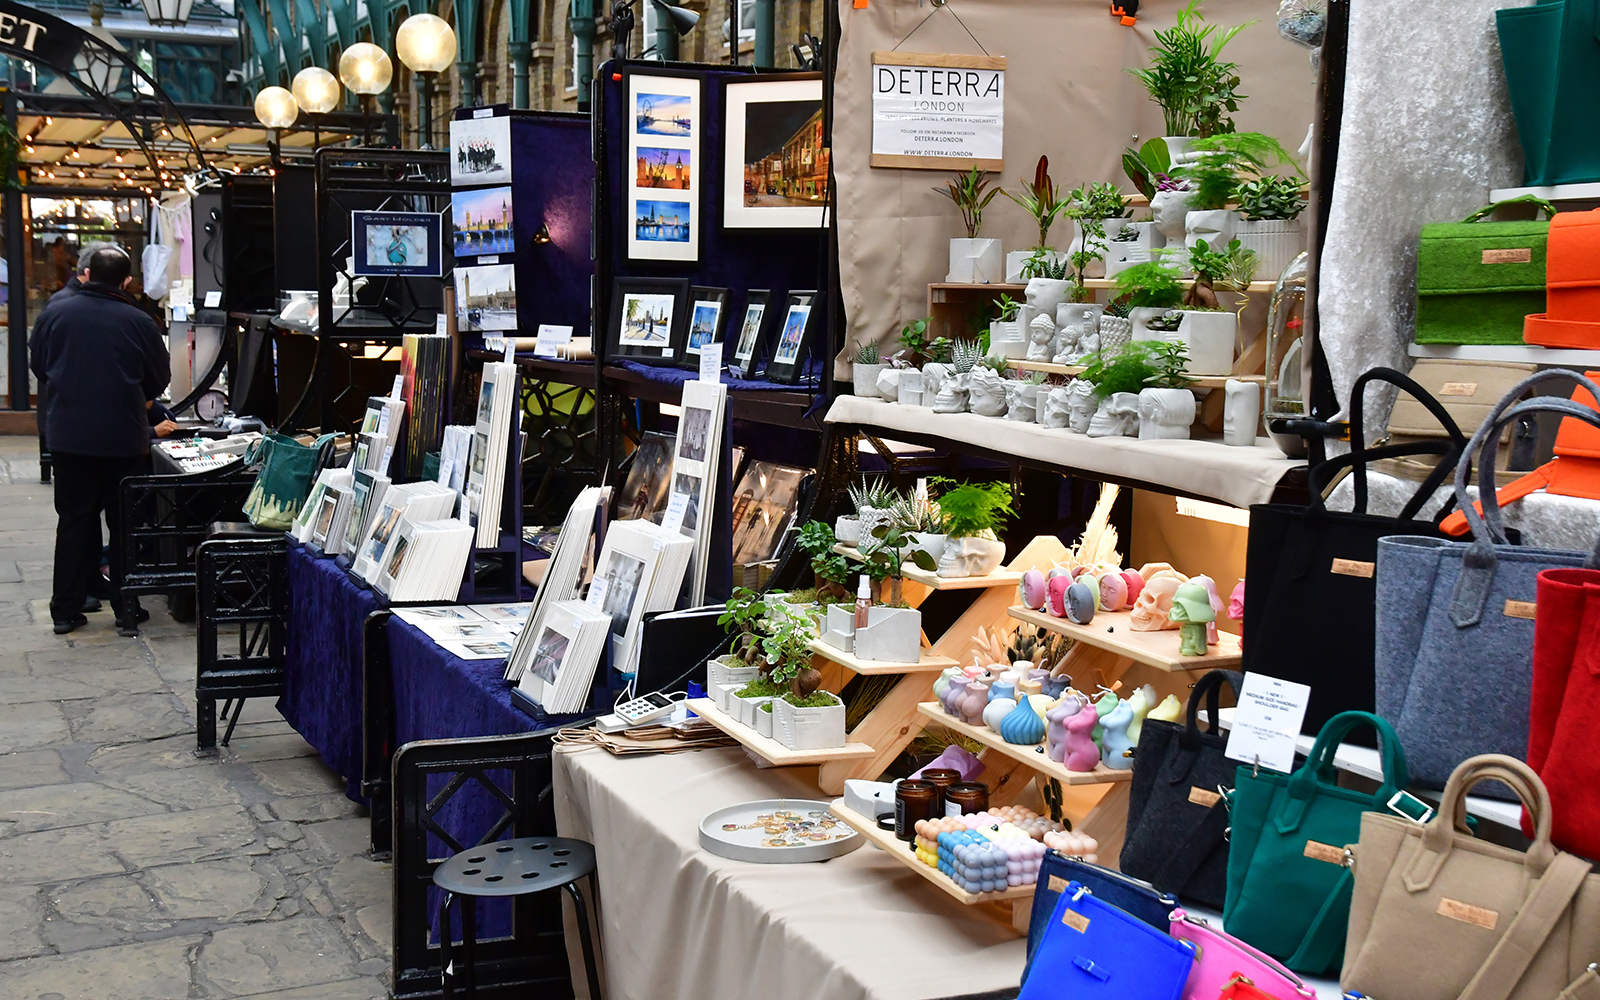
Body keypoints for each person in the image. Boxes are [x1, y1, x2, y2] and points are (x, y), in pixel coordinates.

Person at [29, 247, 170, 635]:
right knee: (125, 520)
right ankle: (126, 609)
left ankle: (65, 609)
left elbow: (39, 366)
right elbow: (159, 379)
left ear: (88, 274)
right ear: (126, 281)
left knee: (74, 519)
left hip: (69, 435)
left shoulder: (55, 313)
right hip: (122, 436)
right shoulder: (139, 321)